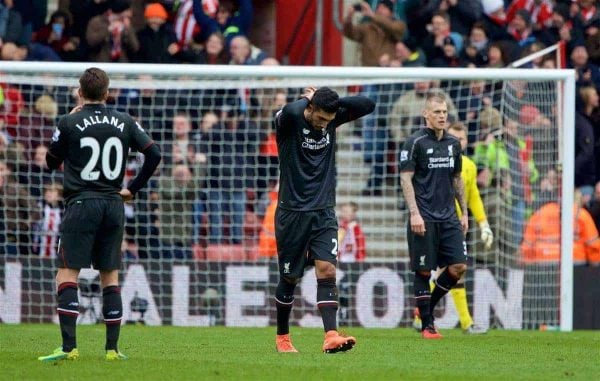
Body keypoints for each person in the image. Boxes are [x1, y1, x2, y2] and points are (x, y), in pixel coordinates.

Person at [38, 67, 161, 362]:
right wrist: (133, 188)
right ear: (108, 93)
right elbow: (154, 154)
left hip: (81, 203)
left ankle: (69, 348)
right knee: (110, 275)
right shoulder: (125, 120)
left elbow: (50, 162)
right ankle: (111, 350)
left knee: (67, 272)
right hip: (113, 204)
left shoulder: (69, 121)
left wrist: (64, 128)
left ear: (80, 92)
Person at [273, 86, 374, 353]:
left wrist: (333, 102)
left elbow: (367, 104)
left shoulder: (329, 119)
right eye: (319, 118)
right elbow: (292, 109)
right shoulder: (291, 121)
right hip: (292, 212)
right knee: (289, 278)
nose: (323, 125)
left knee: (327, 269)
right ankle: (283, 337)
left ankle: (330, 335)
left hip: (324, 211)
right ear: (310, 108)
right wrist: (309, 97)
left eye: (329, 121)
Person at [399, 91, 468, 339]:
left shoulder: (453, 144)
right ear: (425, 114)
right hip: (424, 217)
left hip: (449, 216)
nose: (441, 116)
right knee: (424, 272)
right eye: (437, 112)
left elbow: (457, 179)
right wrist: (414, 214)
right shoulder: (414, 143)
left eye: (444, 112)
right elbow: (405, 179)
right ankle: (428, 326)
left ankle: (425, 310)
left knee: (459, 266)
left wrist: (464, 213)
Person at [412, 122, 493, 334]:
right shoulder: (437, 160)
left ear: (467, 141)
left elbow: (473, 195)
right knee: (442, 271)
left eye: (462, 138)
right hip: (436, 222)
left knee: (455, 269)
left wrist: (483, 223)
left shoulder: (470, 166)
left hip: (455, 225)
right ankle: (449, 319)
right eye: (454, 137)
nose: (458, 142)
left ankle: (424, 314)